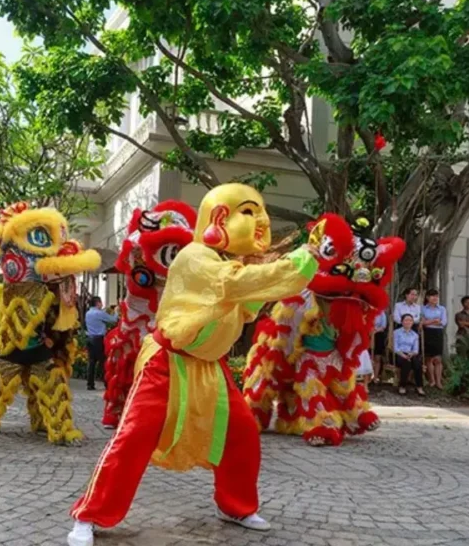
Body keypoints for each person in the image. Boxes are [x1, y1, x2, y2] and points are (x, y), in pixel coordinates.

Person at [67, 183, 319, 546]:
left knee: (243, 432)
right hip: (166, 362)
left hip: (211, 368)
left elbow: (246, 302)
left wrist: (280, 266)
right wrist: (300, 261)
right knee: (133, 437)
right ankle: (89, 515)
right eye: (248, 212)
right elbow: (233, 285)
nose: (259, 221)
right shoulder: (196, 256)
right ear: (219, 217)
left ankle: (237, 505)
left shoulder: (230, 264)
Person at [84, 296, 117, 390]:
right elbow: (113, 320)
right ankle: (107, 383)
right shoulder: (99, 313)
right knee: (103, 361)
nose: (102, 304)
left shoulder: (88, 313)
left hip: (90, 338)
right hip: (98, 339)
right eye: (101, 302)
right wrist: (116, 311)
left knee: (91, 362)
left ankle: (90, 384)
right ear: (97, 303)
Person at [420, 289, 446, 389]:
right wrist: (434, 321)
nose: (435, 298)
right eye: (432, 296)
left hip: (438, 333)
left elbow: (443, 322)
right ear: (427, 298)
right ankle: (432, 380)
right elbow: (422, 323)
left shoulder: (442, 309)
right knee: (429, 358)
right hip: (428, 333)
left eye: (436, 296)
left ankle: (439, 382)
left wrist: (429, 321)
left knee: (438, 359)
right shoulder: (423, 309)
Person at [393, 314, 423, 396]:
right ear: (402, 322)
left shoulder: (415, 335)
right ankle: (402, 386)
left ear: (413, 322)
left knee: (417, 363)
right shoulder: (396, 332)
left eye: (410, 320)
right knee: (406, 363)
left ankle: (419, 387)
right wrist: (404, 355)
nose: (408, 322)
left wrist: (411, 354)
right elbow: (396, 348)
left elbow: (416, 350)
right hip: (399, 354)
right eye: (406, 320)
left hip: (411, 354)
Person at [371, 309, 387, 385]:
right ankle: (367, 377)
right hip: (367, 334)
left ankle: (375, 377)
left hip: (378, 335)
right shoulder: (366, 311)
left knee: (377, 357)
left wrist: (375, 330)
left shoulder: (381, 312)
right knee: (367, 356)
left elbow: (383, 326)